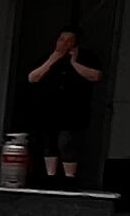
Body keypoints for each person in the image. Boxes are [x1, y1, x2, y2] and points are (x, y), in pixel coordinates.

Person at [21, 27, 106, 185]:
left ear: (75, 43)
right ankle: (50, 177)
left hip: (73, 109)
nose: (64, 43)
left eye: (69, 40)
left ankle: (69, 178)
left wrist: (74, 62)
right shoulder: (49, 57)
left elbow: (95, 76)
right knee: (49, 142)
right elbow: (33, 77)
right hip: (49, 108)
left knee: (67, 142)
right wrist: (54, 59)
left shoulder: (86, 57)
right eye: (61, 39)